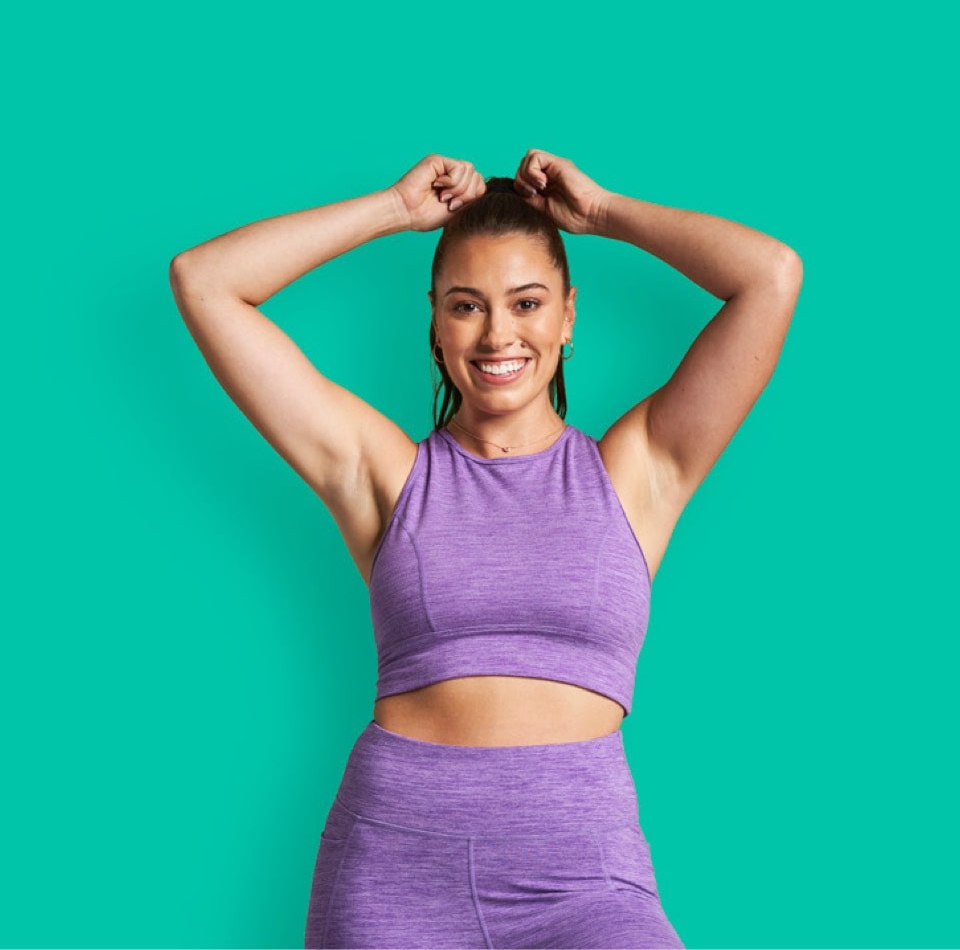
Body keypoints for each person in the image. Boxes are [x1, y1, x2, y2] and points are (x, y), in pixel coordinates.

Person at [169, 149, 802, 949]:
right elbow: (204, 280)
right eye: (467, 306)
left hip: (585, 880)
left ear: (568, 315)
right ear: (435, 322)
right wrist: (395, 210)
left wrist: (603, 213)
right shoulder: (386, 473)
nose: (499, 332)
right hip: (395, 868)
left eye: (527, 302)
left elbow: (771, 276)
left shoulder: (639, 470)